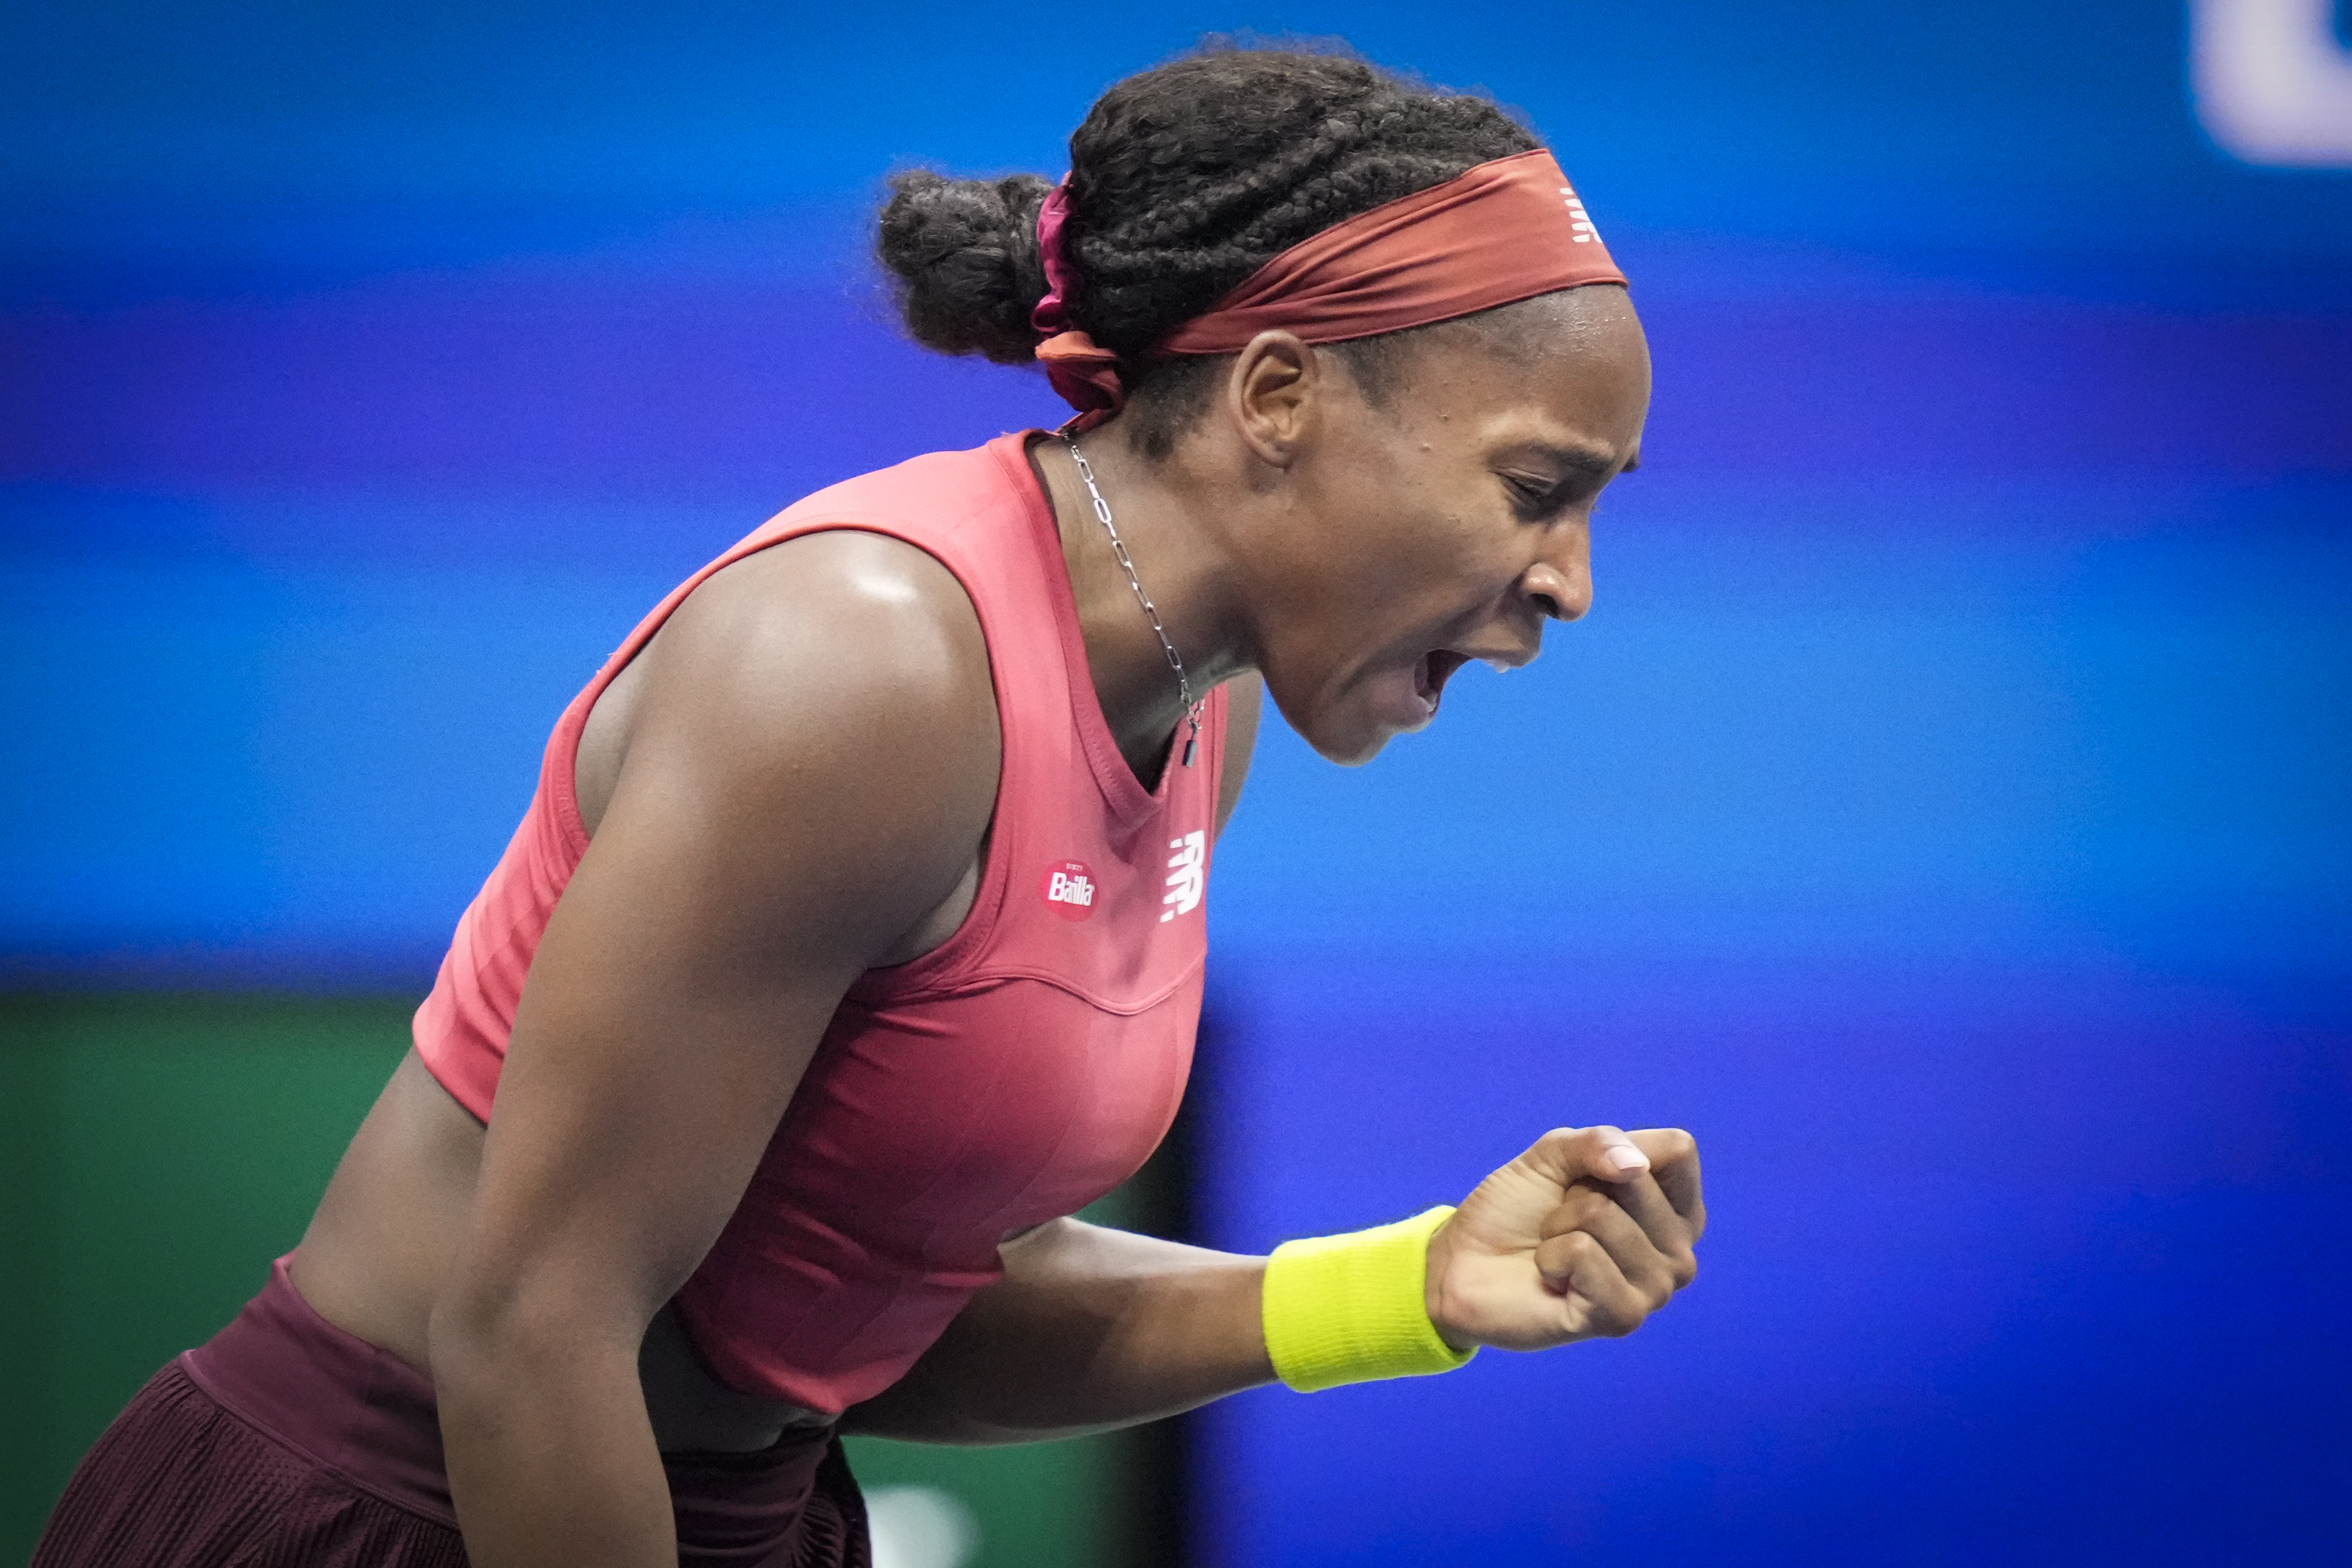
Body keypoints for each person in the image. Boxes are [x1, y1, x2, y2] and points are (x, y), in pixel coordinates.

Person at [34, 44, 1700, 1568]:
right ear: (1277, 398)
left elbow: (884, 1321)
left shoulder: (1202, 712)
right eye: (1536, 489)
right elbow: (538, 1334)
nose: (1571, 583)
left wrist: (1407, 1289)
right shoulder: (866, 672)